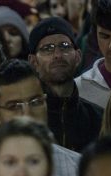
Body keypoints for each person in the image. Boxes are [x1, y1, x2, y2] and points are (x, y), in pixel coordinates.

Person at [30, 17, 104, 153]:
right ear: (34, 62)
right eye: (47, 49)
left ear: (78, 56)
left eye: (64, 46)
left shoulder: (98, 118)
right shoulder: (26, 118)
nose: (57, 55)